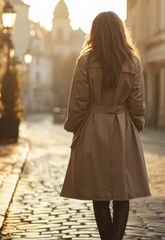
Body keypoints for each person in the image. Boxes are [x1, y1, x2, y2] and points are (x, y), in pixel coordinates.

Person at [60, 11, 151, 240]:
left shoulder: (85, 60)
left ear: (95, 32)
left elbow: (78, 101)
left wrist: (74, 126)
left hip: (93, 127)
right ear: (121, 33)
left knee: (99, 193)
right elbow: (137, 102)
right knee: (122, 194)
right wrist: (137, 123)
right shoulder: (133, 61)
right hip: (123, 127)